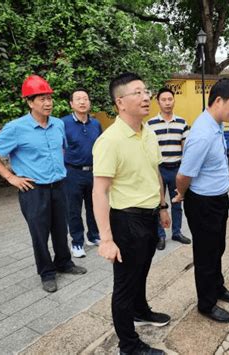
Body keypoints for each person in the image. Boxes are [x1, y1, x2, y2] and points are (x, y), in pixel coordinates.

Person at [0, 74, 87, 293]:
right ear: (30, 102)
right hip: (33, 190)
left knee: (61, 228)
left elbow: (62, 149)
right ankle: (47, 273)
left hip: (59, 185)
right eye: (41, 99)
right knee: (39, 233)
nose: (47, 103)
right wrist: (10, 177)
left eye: (49, 98)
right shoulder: (16, 128)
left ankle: (64, 263)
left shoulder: (58, 124)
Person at [92, 72, 171, 355]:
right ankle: (129, 345)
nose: (146, 96)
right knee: (124, 284)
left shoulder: (148, 132)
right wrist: (106, 239)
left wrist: (162, 207)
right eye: (137, 92)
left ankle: (141, 309)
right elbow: (99, 192)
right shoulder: (110, 140)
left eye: (145, 90)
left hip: (150, 215)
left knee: (142, 270)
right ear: (120, 102)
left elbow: (156, 172)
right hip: (126, 219)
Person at [173, 78, 229, 323]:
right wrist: (181, 194)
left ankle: (217, 287)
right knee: (205, 254)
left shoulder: (216, 125)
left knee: (217, 248)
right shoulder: (202, 134)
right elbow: (183, 174)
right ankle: (206, 303)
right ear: (218, 101)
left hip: (218, 200)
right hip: (203, 204)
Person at [146, 88, 191, 251]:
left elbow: (185, 148)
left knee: (177, 202)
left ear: (174, 101)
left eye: (170, 99)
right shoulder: (150, 125)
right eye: (163, 100)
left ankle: (177, 232)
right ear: (158, 102)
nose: (167, 103)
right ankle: (160, 235)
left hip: (176, 168)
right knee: (159, 202)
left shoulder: (182, 123)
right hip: (159, 169)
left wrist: (184, 170)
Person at [62, 88, 102, 258]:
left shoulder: (95, 124)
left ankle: (93, 236)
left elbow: (101, 146)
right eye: (78, 99)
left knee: (94, 206)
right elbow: (59, 148)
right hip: (73, 173)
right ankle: (77, 242)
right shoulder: (63, 123)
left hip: (93, 172)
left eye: (85, 98)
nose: (82, 102)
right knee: (74, 210)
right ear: (71, 104)